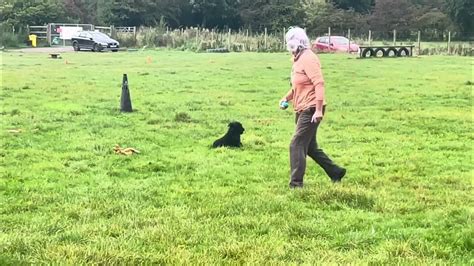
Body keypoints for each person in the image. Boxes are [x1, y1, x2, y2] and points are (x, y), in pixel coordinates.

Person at [280, 27, 346, 188]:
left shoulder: (309, 58)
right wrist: (286, 97)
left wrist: (317, 110)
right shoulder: (297, 59)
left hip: (311, 109)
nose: (289, 46)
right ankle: (335, 171)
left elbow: (319, 83)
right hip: (301, 107)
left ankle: (296, 184)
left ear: (299, 43)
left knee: (296, 144)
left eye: (291, 43)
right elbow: (299, 86)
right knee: (309, 147)